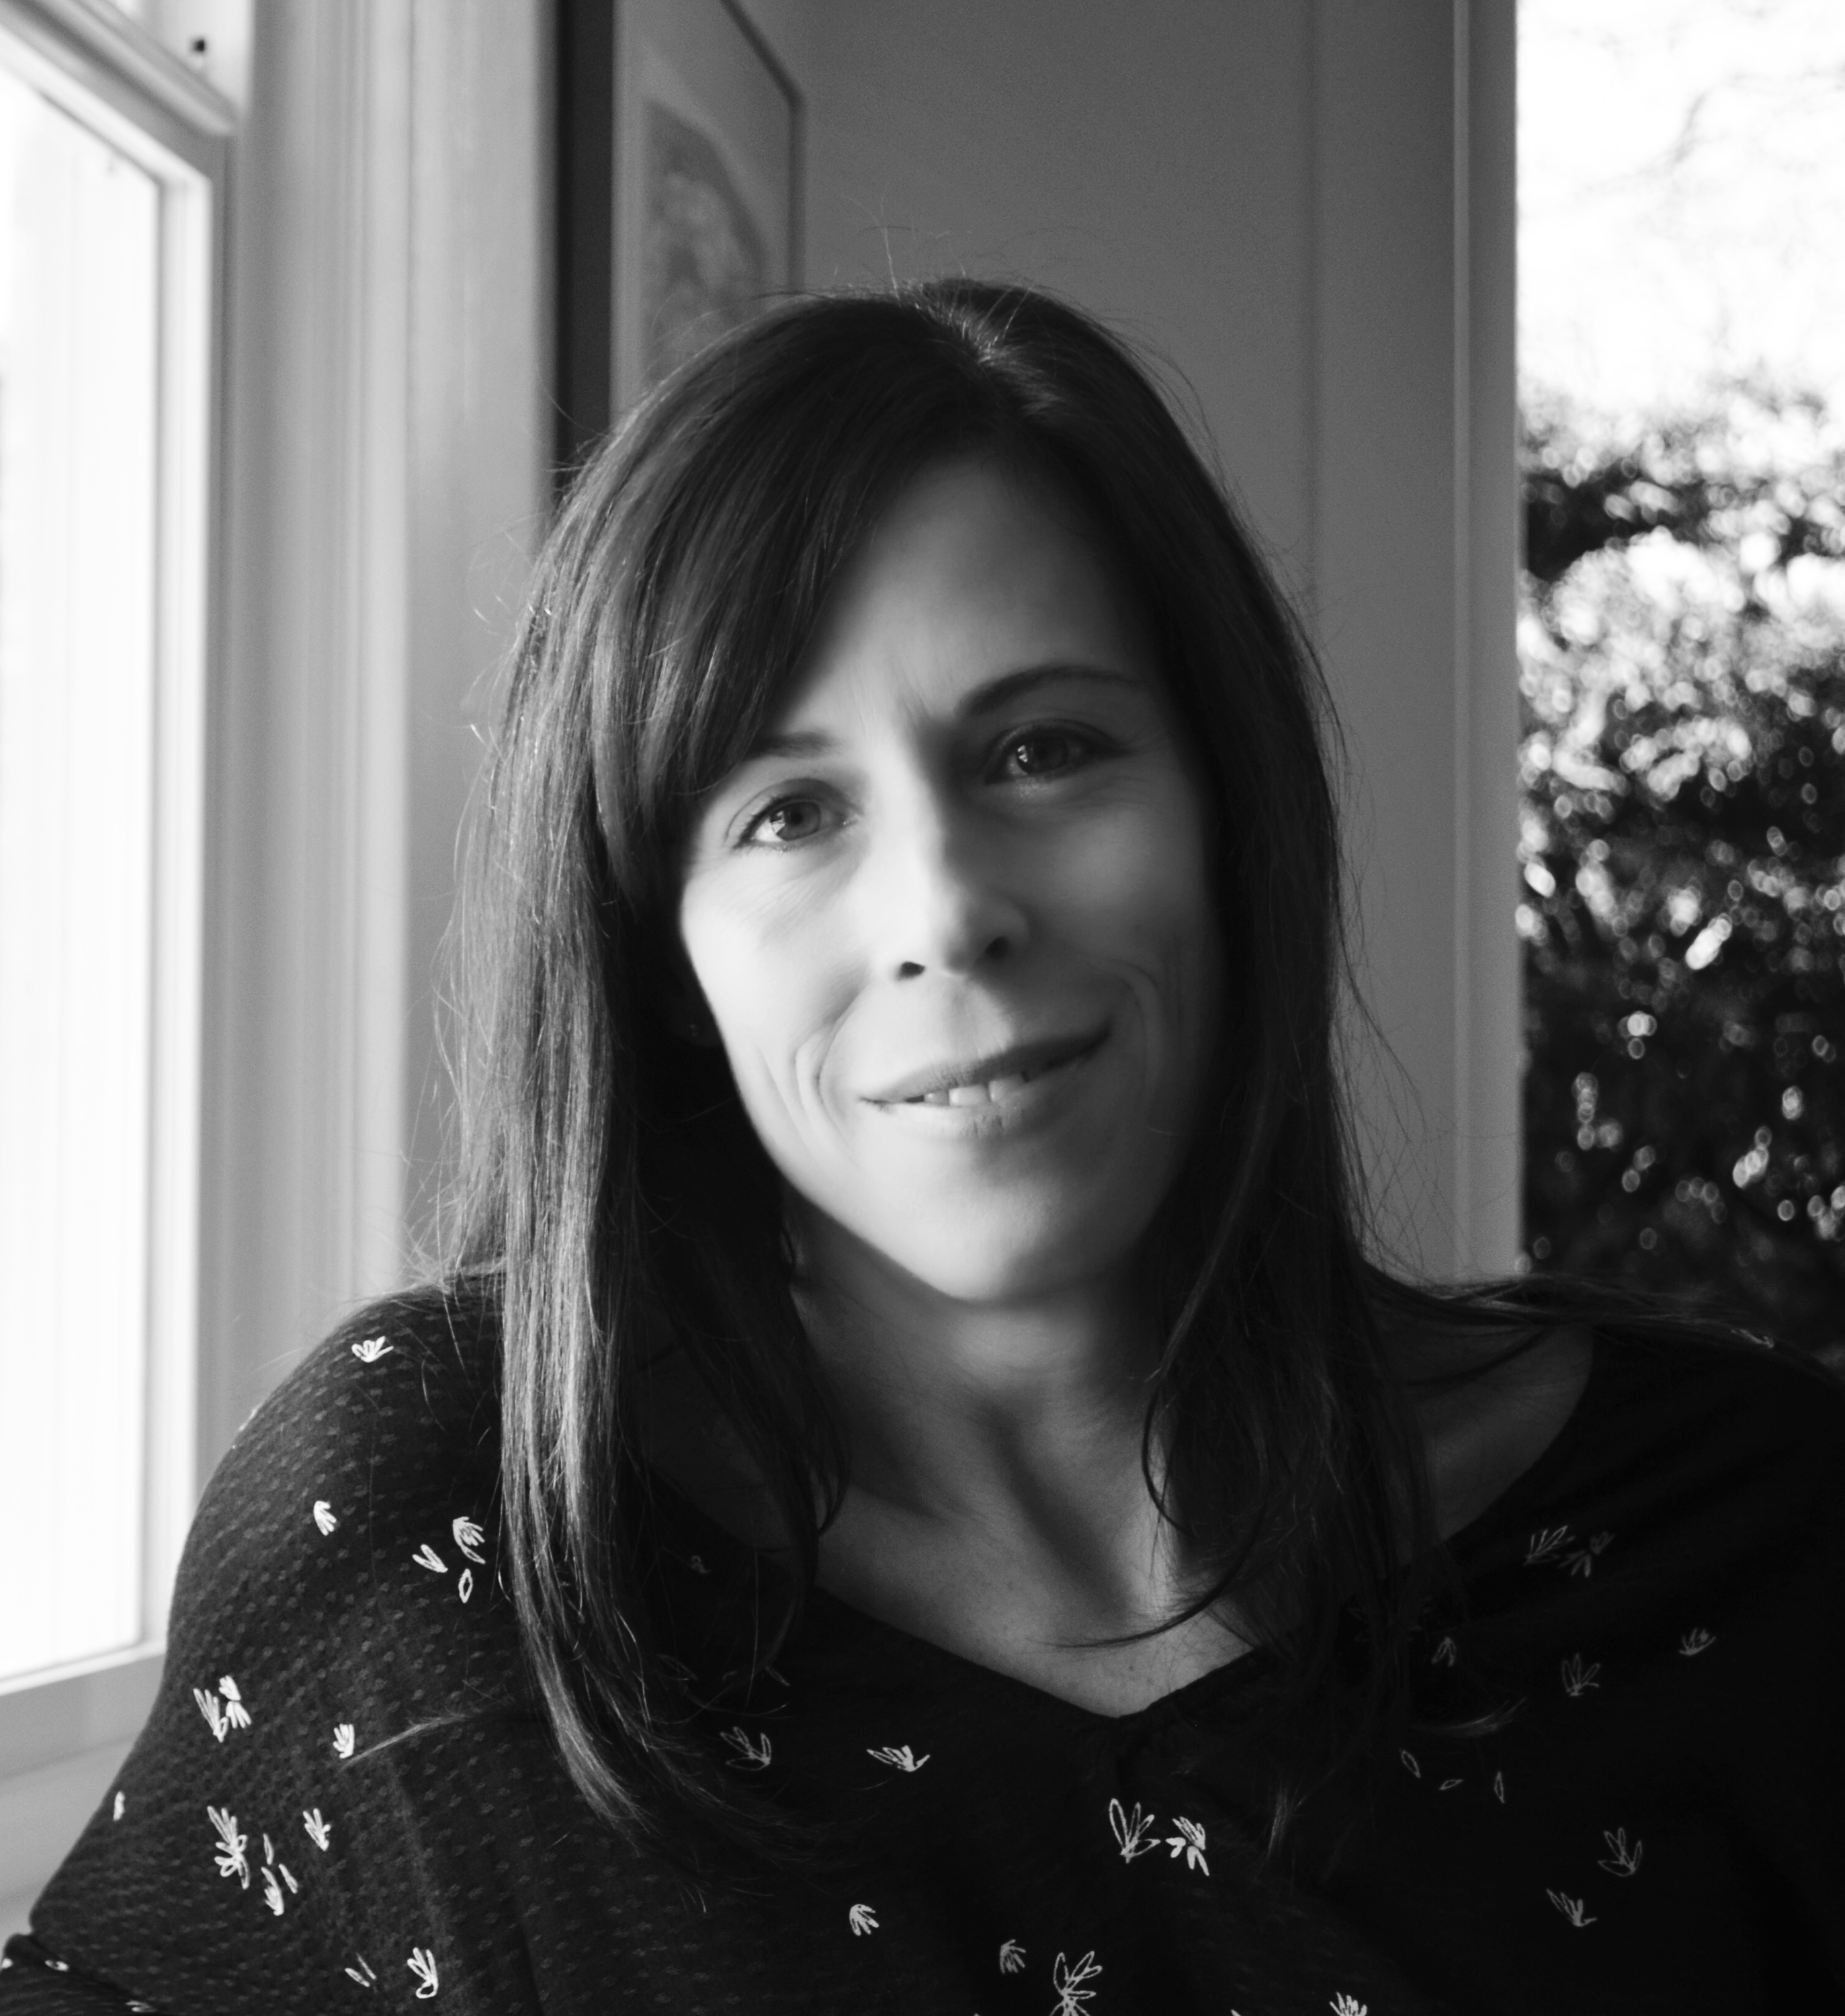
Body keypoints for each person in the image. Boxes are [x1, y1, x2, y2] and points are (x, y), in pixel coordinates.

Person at [5, 280, 1841, 2016]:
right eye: (788, 811)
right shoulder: (434, 1526)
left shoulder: (1761, 1546)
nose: (944, 912)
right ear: (658, 952)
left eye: (1043, 750)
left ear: (1226, 811)